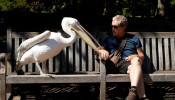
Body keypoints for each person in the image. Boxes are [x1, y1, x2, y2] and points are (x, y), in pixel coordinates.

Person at [98, 15, 149, 100]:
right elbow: (98, 50)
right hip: (117, 65)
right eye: (112, 26)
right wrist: (102, 51)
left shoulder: (134, 38)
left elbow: (142, 56)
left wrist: (135, 56)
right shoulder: (109, 39)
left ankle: (133, 91)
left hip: (131, 65)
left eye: (115, 27)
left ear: (123, 27)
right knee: (137, 69)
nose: (112, 29)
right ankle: (140, 95)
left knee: (136, 61)